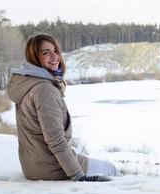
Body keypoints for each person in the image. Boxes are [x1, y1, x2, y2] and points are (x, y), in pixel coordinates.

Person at [7, 33, 120, 182]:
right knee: (111, 169)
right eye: (46, 52)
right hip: (52, 168)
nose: (54, 56)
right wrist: (79, 176)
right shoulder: (43, 90)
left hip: (33, 166)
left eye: (55, 51)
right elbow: (55, 140)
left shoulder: (27, 82)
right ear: (34, 57)